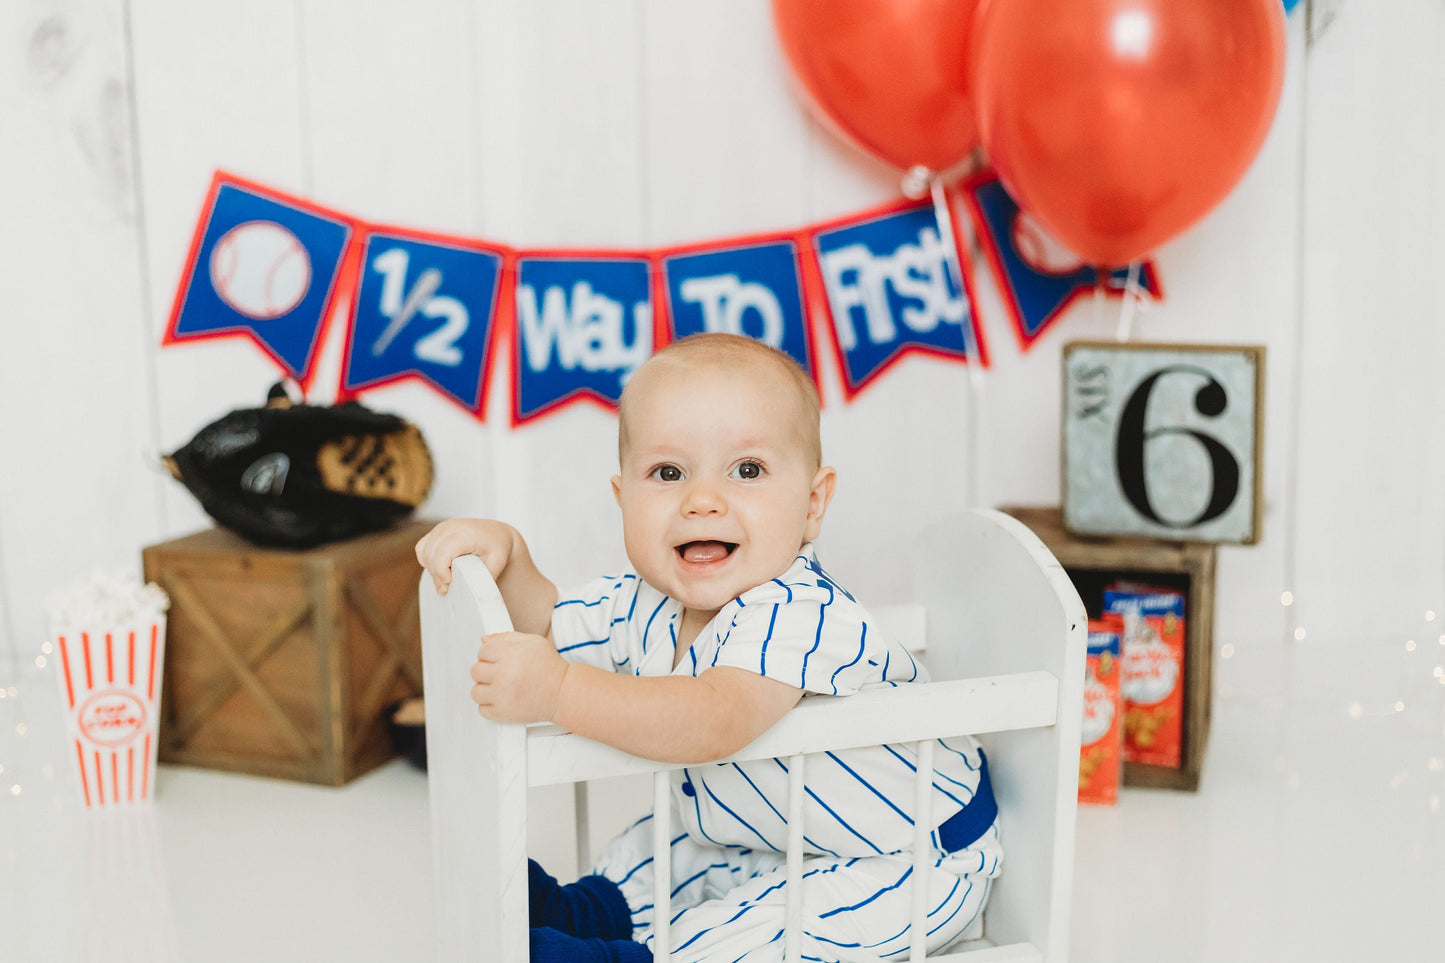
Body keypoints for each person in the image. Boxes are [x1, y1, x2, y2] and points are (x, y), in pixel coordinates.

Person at [415, 333, 1000, 963]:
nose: (702, 500)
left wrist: (557, 691)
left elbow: (712, 717)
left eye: (747, 471)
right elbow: (550, 625)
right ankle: (589, 910)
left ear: (812, 504)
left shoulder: (801, 610)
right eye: (667, 473)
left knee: (775, 933)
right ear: (624, 499)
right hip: (767, 832)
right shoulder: (643, 602)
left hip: (904, 857)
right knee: (668, 847)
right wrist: (508, 557)